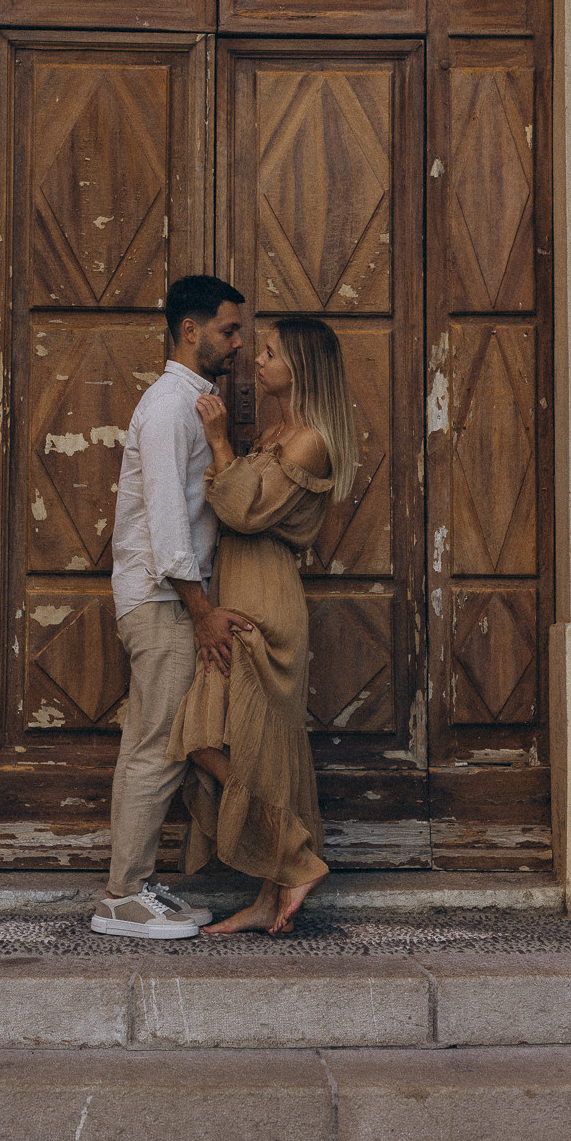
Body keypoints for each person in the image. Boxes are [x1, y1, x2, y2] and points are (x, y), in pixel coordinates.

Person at [167, 316, 358, 935]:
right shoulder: (279, 431)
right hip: (239, 591)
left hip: (267, 602)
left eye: (270, 353)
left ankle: (295, 862)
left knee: (224, 740)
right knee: (226, 742)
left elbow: (243, 511)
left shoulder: (310, 440)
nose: (257, 361)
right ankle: (271, 892)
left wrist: (221, 442)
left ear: (298, 367)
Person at [91, 275, 252, 940]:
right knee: (155, 746)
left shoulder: (196, 403)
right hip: (163, 601)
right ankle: (122, 897)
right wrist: (201, 609)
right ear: (191, 330)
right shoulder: (167, 408)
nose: (238, 344)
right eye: (228, 329)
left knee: (162, 745)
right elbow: (165, 521)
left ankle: (138, 884)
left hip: (170, 600)